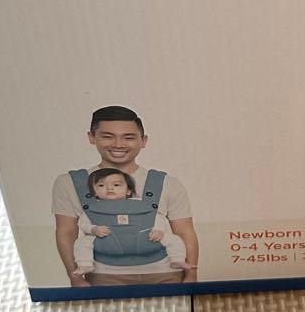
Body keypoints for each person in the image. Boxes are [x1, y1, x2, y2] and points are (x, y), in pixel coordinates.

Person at [52, 105, 198, 285]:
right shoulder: (70, 182)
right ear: (92, 137)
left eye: (128, 137)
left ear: (143, 141)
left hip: (165, 274)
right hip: (103, 277)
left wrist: (191, 275)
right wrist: (75, 278)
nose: (118, 144)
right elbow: (66, 232)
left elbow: (185, 232)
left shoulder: (168, 183)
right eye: (108, 136)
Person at [71, 167, 195, 280]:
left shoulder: (139, 204)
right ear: (94, 192)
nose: (109, 188)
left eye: (116, 185)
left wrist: (159, 230)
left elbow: (157, 218)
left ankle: (177, 260)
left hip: (147, 238)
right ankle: (85, 264)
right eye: (101, 185)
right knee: (82, 242)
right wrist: (93, 229)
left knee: (174, 239)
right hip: (104, 241)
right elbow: (83, 223)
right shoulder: (93, 209)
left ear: (128, 191)